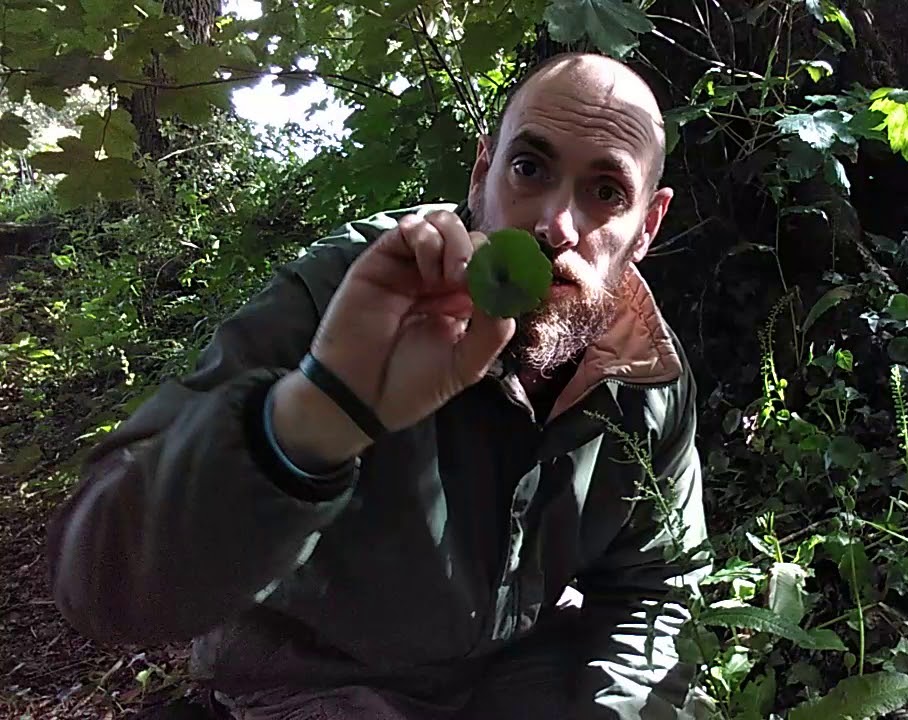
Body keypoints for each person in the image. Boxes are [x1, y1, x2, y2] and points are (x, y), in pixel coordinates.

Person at [46, 51, 712, 719]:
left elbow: (657, 590)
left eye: (606, 192)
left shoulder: (643, 373)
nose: (555, 225)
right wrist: (318, 413)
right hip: (313, 687)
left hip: (511, 680)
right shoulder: (355, 297)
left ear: (647, 226)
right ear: (483, 173)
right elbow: (100, 583)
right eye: (529, 168)